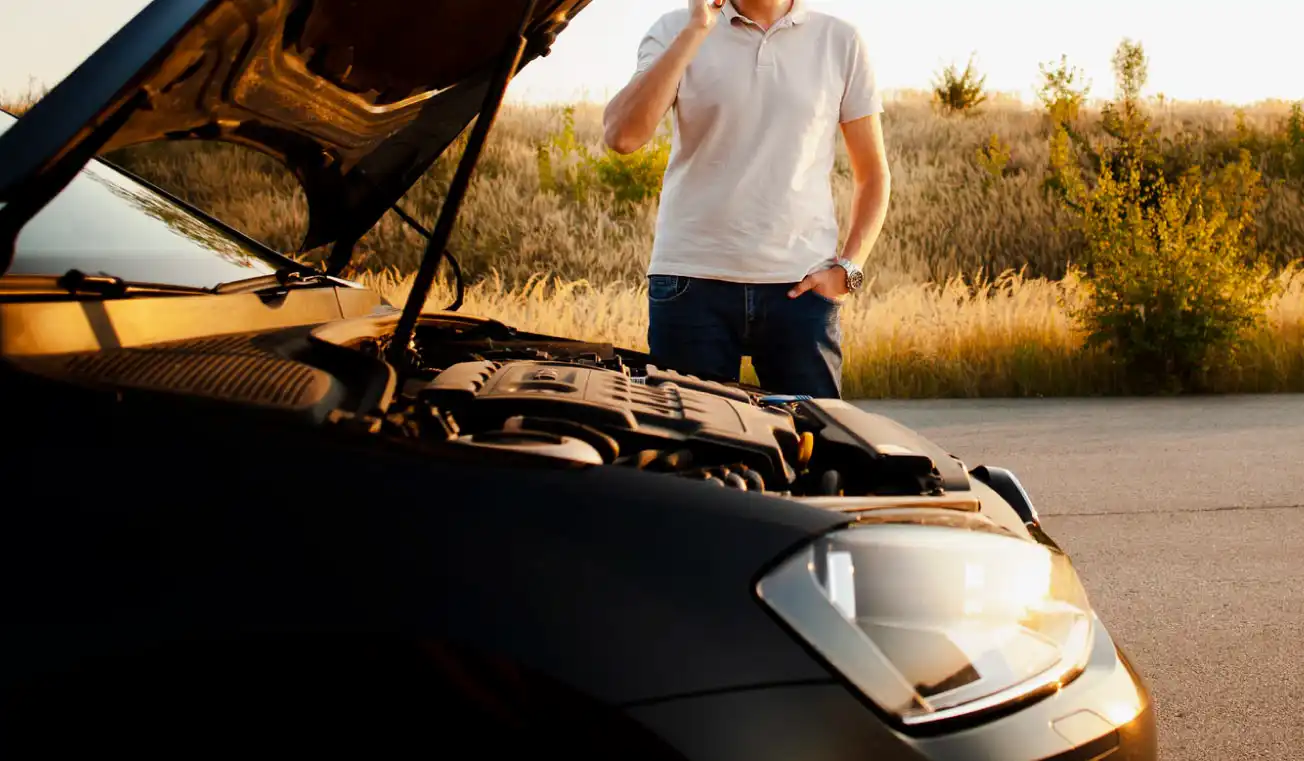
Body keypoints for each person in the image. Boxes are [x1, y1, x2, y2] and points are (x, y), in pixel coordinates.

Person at [602, 0, 892, 399]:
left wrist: (849, 269)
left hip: (801, 288)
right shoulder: (675, 29)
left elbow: (873, 176)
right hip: (690, 283)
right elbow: (622, 136)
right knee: (690, 454)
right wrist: (696, 30)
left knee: (814, 447)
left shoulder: (840, 41)